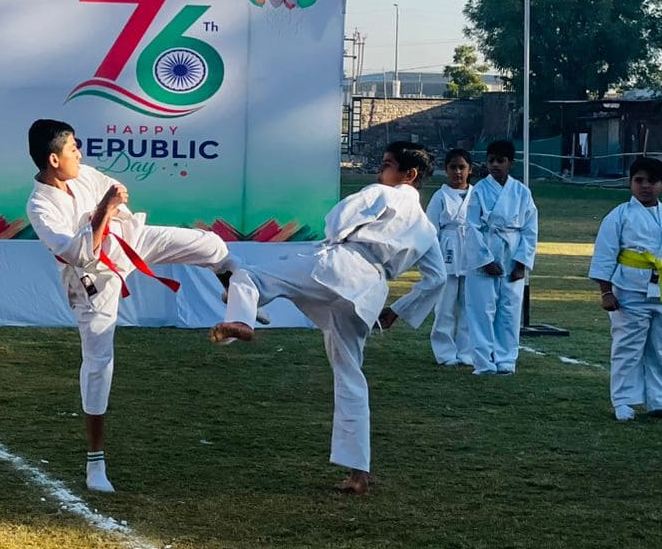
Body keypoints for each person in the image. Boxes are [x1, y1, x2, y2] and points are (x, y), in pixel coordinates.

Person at [211, 141, 445, 494]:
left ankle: (243, 319)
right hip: (368, 292)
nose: (380, 171)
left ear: (408, 174)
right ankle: (358, 473)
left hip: (340, 265)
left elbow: (338, 219)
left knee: (250, 276)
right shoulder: (426, 229)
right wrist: (397, 311)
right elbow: (437, 279)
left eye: (387, 164)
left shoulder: (384, 193)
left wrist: (338, 238)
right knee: (350, 376)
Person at [26, 118, 233, 494]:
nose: (79, 154)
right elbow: (79, 253)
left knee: (212, 245)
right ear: (54, 160)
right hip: (92, 284)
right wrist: (103, 210)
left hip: (129, 242)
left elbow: (117, 194)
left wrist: (111, 209)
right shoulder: (40, 206)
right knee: (98, 364)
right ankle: (95, 461)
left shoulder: (84, 175)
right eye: (72, 149)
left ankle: (237, 301)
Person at [590, 157, 662, 423]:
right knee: (628, 345)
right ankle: (623, 400)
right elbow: (605, 255)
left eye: (652, 181)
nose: (645, 186)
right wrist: (606, 292)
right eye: (639, 180)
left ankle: (661, 401)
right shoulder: (619, 216)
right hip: (630, 291)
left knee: (661, 346)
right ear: (630, 183)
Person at [464, 139, 538, 375]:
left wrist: (522, 264)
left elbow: (530, 229)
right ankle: (484, 362)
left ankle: (506, 360)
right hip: (486, 246)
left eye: (500, 161)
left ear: (510, 163)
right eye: (491, 161)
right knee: (481, 309)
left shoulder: (522, 192)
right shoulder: (479, 190)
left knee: (509, 309)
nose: (495, 165)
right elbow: (471, 227)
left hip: (512, 250)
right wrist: (484, 260)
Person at [426, 147, 475, 367]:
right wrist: (433, 260)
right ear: (446, 170)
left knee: (469, 307)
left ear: (470, 170)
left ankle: (467, 352)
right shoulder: (440, 196)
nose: (457, 172)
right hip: (446, 251)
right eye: (453, 167)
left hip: (471, 253)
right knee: (444, 307)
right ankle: (445, 352)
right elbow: (430, 230)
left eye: (462, 167)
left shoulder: (477, 195)